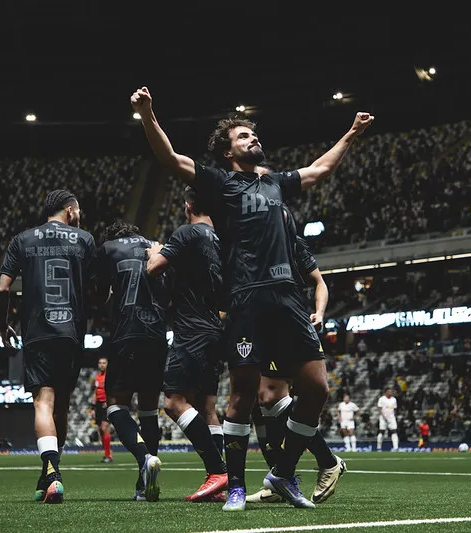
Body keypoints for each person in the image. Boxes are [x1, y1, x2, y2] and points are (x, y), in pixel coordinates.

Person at [132, 85, 373, 511]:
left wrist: (351, 133)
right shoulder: (220, 182)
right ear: (228, 151)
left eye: (253, 134)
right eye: (243, 136)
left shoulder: (276, 182)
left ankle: (282, 473)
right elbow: (170, 159)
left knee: (317, 389)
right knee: (243, 395)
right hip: (246, 298)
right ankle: (237, 486)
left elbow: (319, 169)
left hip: (288, 298)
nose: (253, 138)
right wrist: (149, 114)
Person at [0, 189, 97, 504]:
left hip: (37, 332)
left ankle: (52, 474)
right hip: (71, 333)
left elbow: (2, 289)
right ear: (70, 210)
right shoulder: (85, 239)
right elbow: (97, 289)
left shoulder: (22, 240)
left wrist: (2, 325)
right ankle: (49, 471)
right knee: (62, 405)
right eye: (78, 211)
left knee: (43, 403)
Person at [247, 203, 345, 505]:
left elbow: (319, 282)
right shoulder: (249, 243)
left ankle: (321, 463)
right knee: (262, 400)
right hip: (263, 327)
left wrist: (319, 312)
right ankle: (283, 477)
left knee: (305, 392)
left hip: (292, 324)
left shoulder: (292, 244)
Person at [145, 186, 229, 503]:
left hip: (191, 330)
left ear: (188, 206)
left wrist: (155, 253)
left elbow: (153, 269)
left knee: (173, 401)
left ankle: (217, 470)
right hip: (215, 329)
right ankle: (220, 483)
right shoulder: (221, 240)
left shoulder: (186, 233)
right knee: (207, 407)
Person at [96, 219, 167, 501]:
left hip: (127, 332)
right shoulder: (157, 247)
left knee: (115, 404)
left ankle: (144, 456)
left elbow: (100, 295)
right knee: (149, 409)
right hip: (157, 333)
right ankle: (143, 485)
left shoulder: (109, 248)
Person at [93, 357, 113, 463]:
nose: (101, 365)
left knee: (105, 427)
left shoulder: (110, 376)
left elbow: (112, 390)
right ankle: (106, 454)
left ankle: (108, 455)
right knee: (100, 429)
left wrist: (109, 402)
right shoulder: (97, 377)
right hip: (98, 405)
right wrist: (93, 407)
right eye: (100, 363)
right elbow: (95, 391)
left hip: (106, 404)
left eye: (104, 363)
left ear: (107, 364)